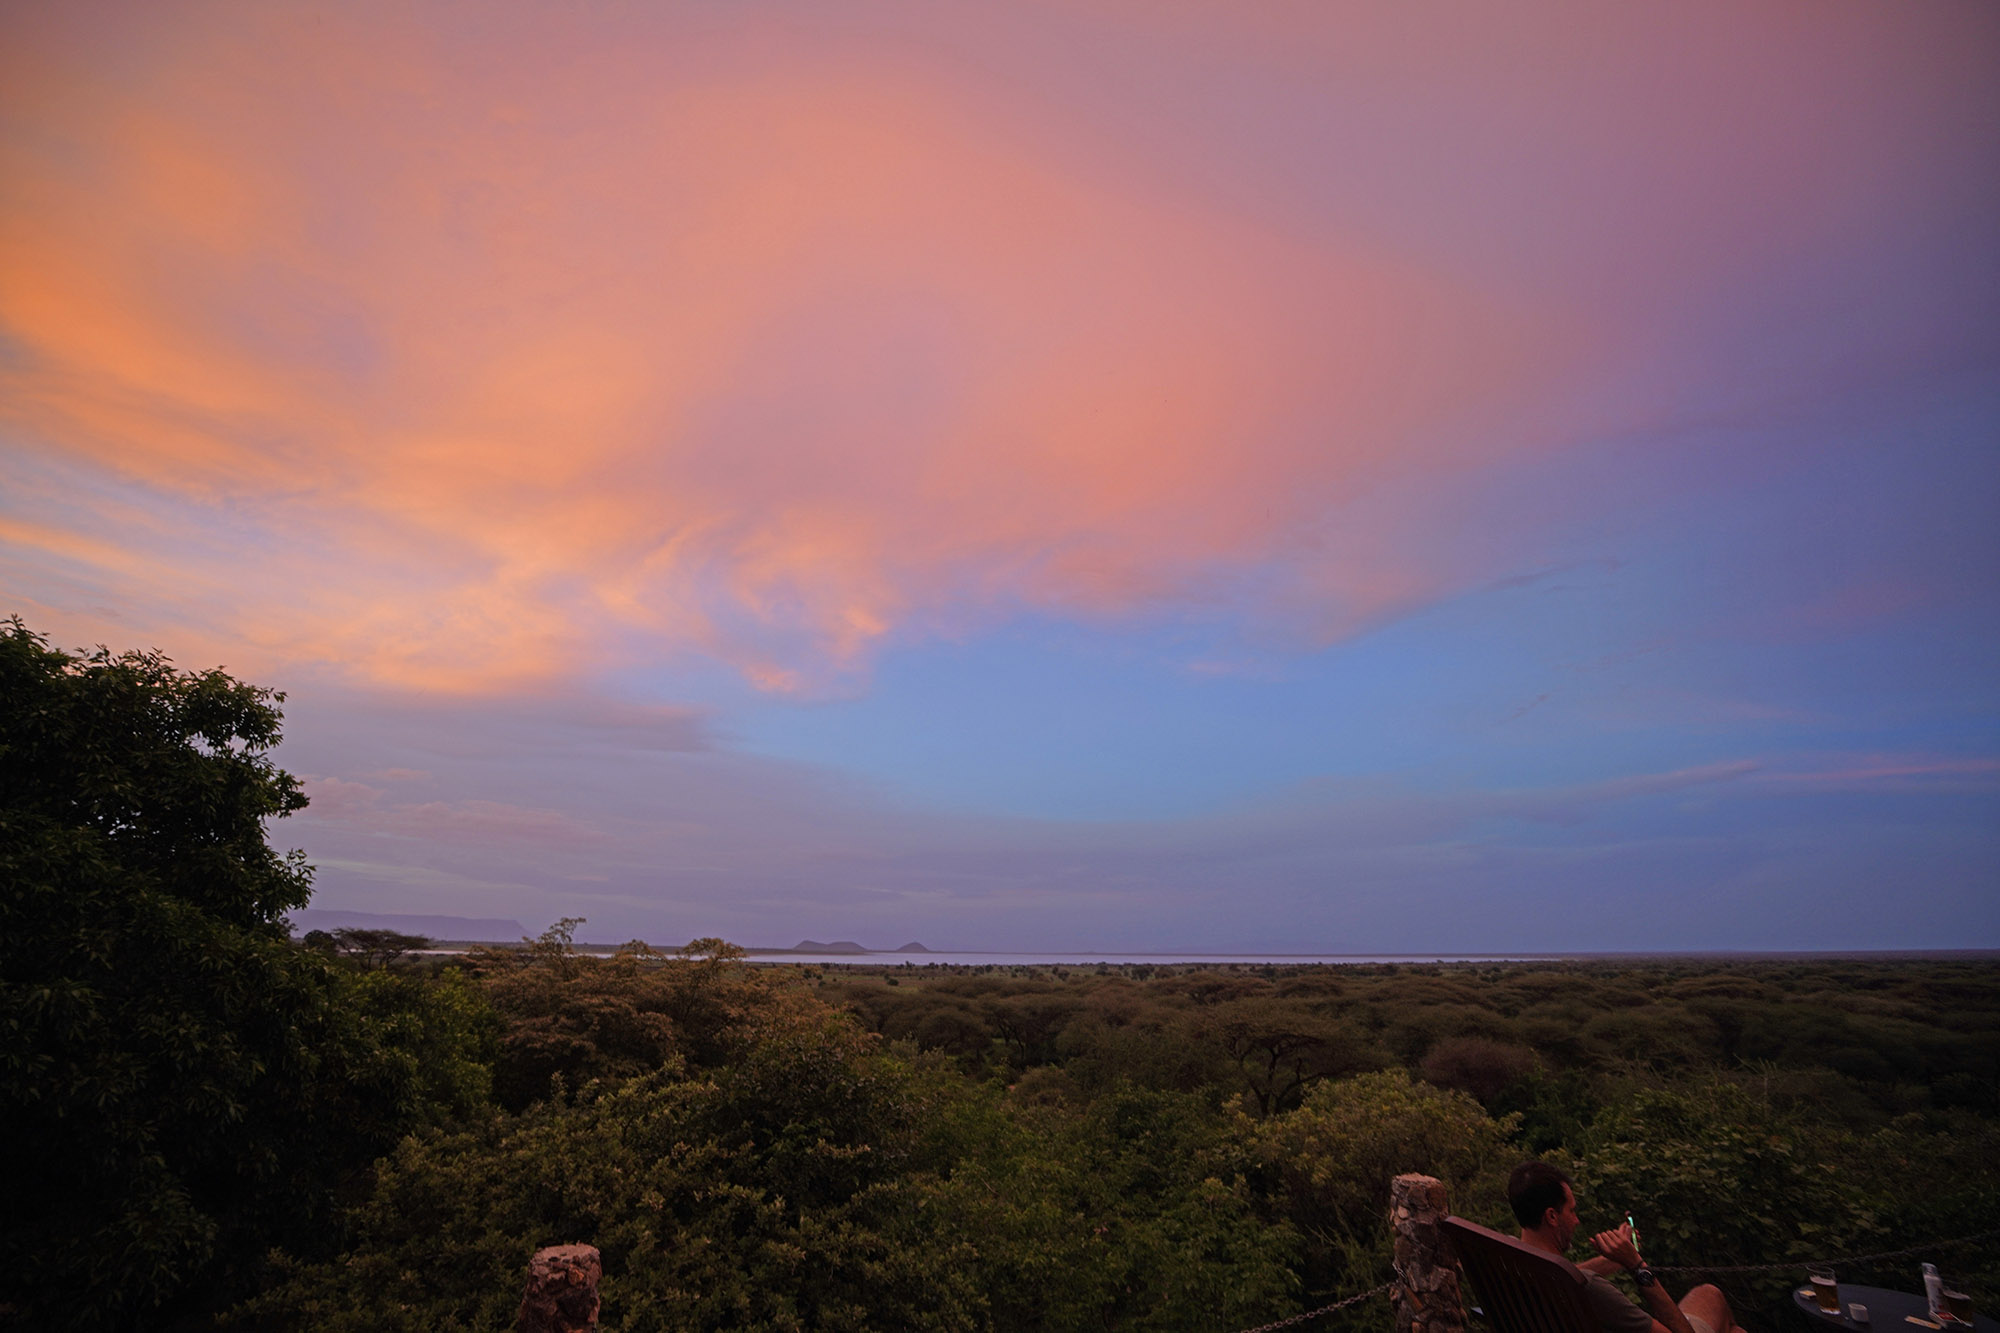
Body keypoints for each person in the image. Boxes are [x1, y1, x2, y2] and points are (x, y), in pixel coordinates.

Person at [1507, 1161, 1740, 1333]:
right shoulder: (1591, 1289)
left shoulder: (1509, 1263)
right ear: (1552, 1216)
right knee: (1711, 1295)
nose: (1576, 1220)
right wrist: (1636, 1265)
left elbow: (1565, 1275)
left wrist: (1612, 1260)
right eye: (1572, 1210)